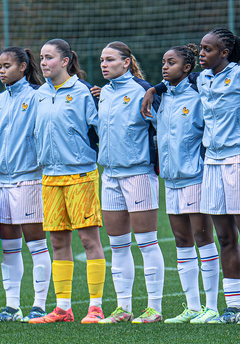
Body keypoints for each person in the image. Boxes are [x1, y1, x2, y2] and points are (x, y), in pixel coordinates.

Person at [143, 28, 240, 324]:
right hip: (212, 163)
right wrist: (153, 89)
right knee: (224, 237)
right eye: (201, 48)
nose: (202, 53)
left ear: (224, 53)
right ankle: (233, 307)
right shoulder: (201, 79)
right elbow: (172, 82)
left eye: (208, 49)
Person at [29, 38, 105, 324]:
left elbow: (100, 132)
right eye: (41, 57)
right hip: (49, 176)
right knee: (58, 241)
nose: (43, 62)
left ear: (65, 61)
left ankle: (95, 307)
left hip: (81, 174)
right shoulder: (39, 94)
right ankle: (63, 308)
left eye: (49, 57)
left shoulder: (85, 92)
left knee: (88, 239)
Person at [144, 44, 219, 324]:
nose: (165, 66)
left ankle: (211, 307)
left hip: (196, 178)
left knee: (203, 239)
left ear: (187, 68)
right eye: (163, 62)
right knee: (182, 241)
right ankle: (192, 306)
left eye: (171, 62)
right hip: (171, 180)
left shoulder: (199, 95)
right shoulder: (161, 99)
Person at [93, 41, 165, 324]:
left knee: (147, 243)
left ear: (126, 62)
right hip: (109, 176)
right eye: (101, 60)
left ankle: (154, 308)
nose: (104, 64)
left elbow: (162, 127)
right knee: (118, 245)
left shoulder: (142, 90)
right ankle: (123, 308)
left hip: (138, 174)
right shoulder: (103, 93)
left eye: (110, 60)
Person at [0, 47, 51, 323]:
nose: (1, 71)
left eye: (7, 65)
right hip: (1, 185)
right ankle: (12, 308)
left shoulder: (38, 97)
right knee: (8, 247)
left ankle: (39, 305)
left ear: (23, 67)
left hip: (30, 180)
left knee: (36, 244)